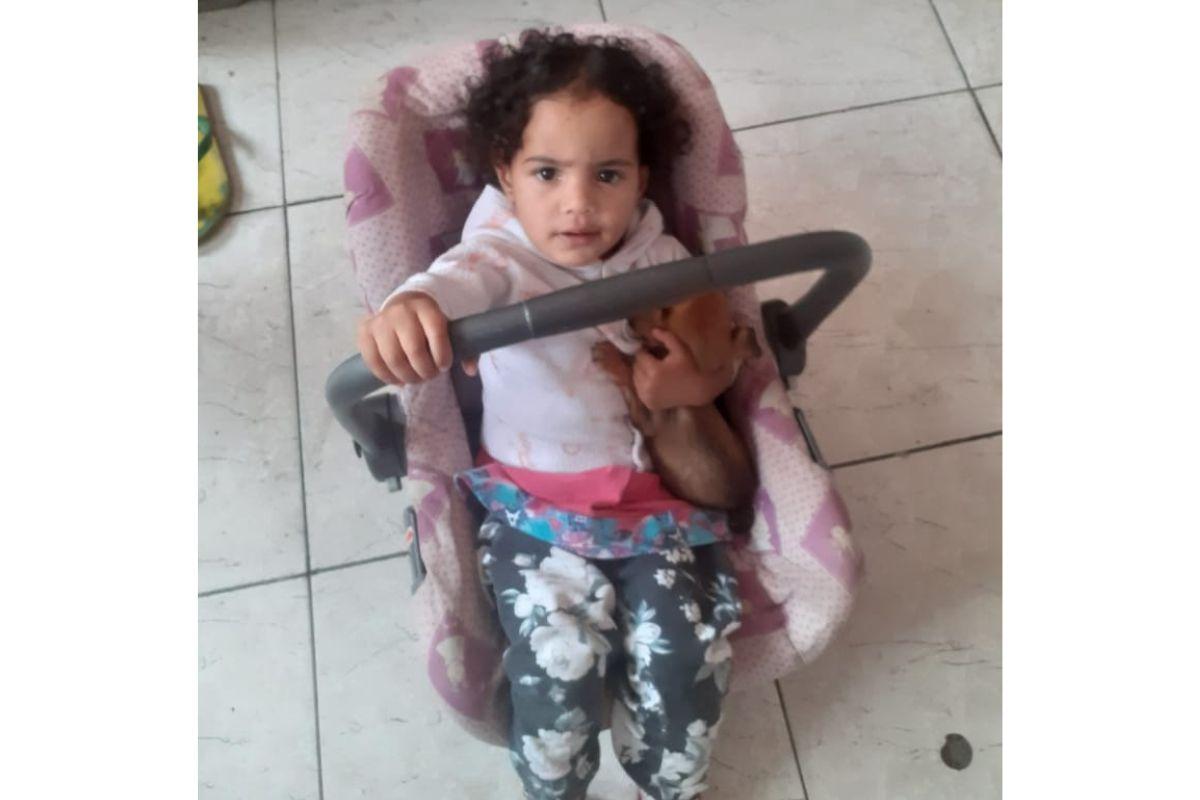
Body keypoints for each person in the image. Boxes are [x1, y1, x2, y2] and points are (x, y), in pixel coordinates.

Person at [357, 29, 742, 800]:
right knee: (557, 668)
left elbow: (724, 349)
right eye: (546, 173)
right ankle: (555, 787)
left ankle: (670, 782)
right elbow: (452, 283)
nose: (579, 203)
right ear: (505, 174)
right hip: (534, 511)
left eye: (608, 174)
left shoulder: (661, 258)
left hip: (659, 509)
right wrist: (412, 306)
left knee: (683, 661)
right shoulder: (499, 256)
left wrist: (693, 382)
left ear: (642, 178)